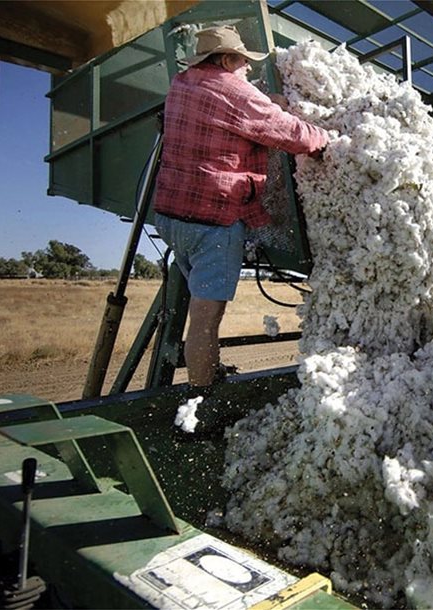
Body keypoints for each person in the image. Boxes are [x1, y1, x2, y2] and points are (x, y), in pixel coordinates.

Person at [154, 24, 328, 397]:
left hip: (170, 216)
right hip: (212, 223)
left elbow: (230, 118)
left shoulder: (180, 85)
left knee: (196, 299)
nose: (248, 68)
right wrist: (328, 140)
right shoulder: (234, 90)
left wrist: (269, 107)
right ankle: (200, 401)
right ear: (228, 59)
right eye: (244, 62)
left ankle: (207, 368)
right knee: (205, 317)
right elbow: (291, 136)